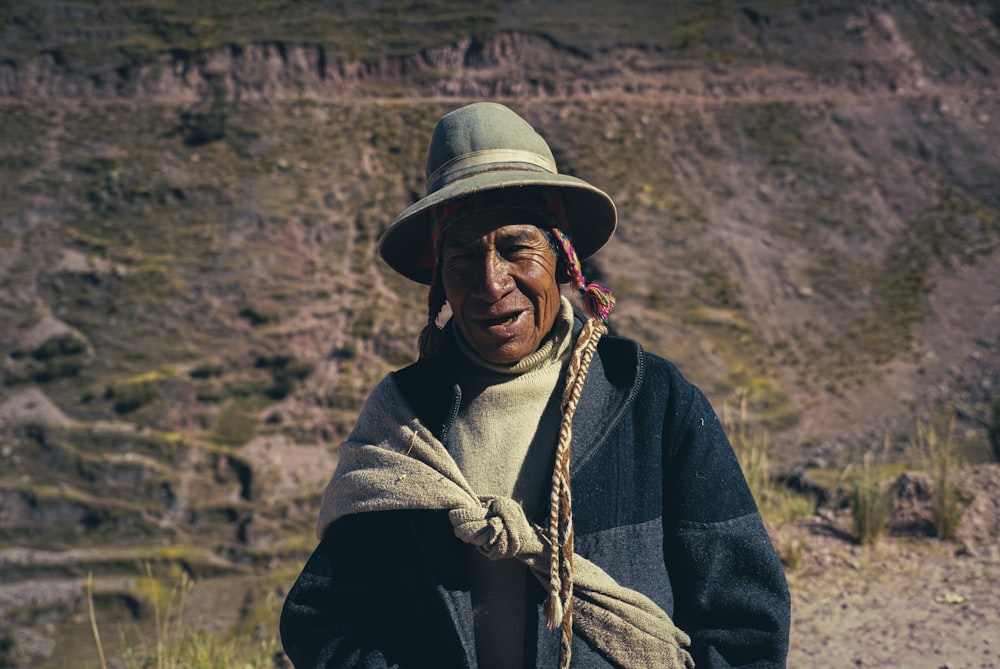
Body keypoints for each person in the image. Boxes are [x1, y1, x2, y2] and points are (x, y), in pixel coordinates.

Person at [280, 102, 790, 668]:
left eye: (516, 248)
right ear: (439, 284)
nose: (492, 283)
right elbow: (322, 620)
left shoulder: (650, 401)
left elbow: (746, 619)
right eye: (463, 258)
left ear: (563, 259)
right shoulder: (403, 423)